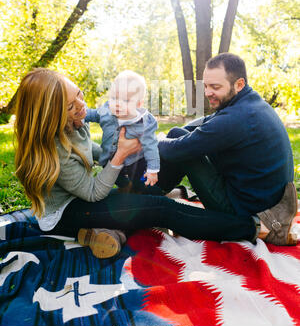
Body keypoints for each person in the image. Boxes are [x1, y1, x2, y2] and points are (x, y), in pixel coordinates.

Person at [14, 67, 264, 259]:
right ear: (52, 116)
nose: (81, 105)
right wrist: (121, 156)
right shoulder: (54, 151)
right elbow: (93, 193)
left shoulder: (74, 123)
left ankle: (110, 231)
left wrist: (136, 151)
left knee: (166, 161)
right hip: (70, 213)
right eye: (71, 106)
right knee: (160, 208)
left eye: (78, 94)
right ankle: (251, 227)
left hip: (89, 195)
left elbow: (93, 151)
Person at [158, 53, 298, 246]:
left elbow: (174, 151)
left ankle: (148, 196)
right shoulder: (249, 104)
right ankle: (154, 192)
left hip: (247, 212)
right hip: (261, 199)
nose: (207, 92)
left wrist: (155, 140)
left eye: (215, 87)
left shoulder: (237, 118)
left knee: (175, 141)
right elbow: (204, 124)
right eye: (206, 86)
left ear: (239, 84)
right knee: (177, 133)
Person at [84, 70, 160, 192]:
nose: (118, 104)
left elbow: (151, 147)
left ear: (139, 104)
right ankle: (125, 186)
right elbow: (91, 114)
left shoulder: (144, 122)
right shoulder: (106, 111)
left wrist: (153, 169)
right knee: (111, 174)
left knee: (139, 183)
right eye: (114, 98)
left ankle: (144, 191)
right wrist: (77, 115)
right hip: (109, 158)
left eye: (125, 100)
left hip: (135, 161)